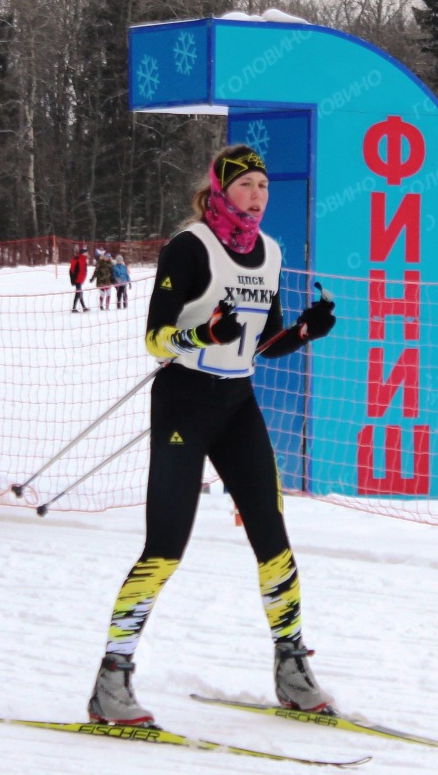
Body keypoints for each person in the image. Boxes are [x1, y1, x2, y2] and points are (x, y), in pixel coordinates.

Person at [87, 144, 338, 727]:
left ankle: (291, 665)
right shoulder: (191, 246)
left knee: (273, 538)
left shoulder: (270, 252)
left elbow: (263, 343)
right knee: (166, 546)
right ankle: (112, 679)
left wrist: (304, 330)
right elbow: (155, 339)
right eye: (248, 185)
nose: (258, 195)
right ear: (221, 189)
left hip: (236, 403)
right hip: (184, 403)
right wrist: (201, 333)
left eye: (265, 187)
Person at [70, 245, 90, 313]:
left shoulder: (84, 260)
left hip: (81, 279)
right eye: (86, 252)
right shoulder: (77, 259)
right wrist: (74, 279)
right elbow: (72, 269)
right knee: (78, 293)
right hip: (77, 279)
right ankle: (74, 308)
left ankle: (83, 307)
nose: (87, 253)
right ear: (83, 253)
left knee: (79, 293)